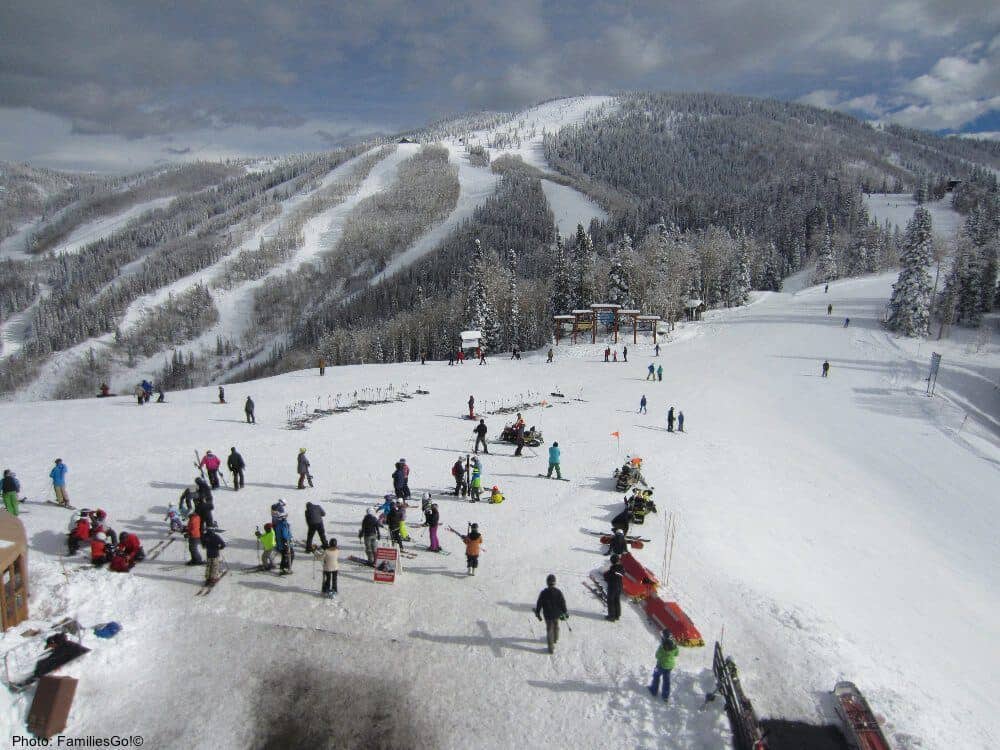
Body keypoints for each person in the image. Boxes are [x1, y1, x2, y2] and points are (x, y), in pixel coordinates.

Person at [534, 574, 568, 654]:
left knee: (549, 629)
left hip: (548, 615)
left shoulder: (543, 593)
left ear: (547, 582)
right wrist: (565, 611)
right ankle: (555, 638)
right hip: (556, 614)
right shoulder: (558, 592)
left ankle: (550, 648)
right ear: (554, 582)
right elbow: (562, 602)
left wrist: (538, 612)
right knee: (556, 625)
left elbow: (539, 604)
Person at [649, 631, 680, 702]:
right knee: (666, 680)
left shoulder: (662, 647)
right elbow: (676, 654)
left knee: (656, 676)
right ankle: (665, 695)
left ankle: (654, 690)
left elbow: (657, 656)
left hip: (660, 665)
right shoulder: (674, 646)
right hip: (670, 666)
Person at [604, 554, 624, 621]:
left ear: (611, 561)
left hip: (612, 587)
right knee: (617, 600)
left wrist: (606, 575)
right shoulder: (622, 569)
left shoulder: (612, 570)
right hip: (620, 586)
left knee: (611, 601)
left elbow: (607, 577)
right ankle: (617, 615)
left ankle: (611, 616)